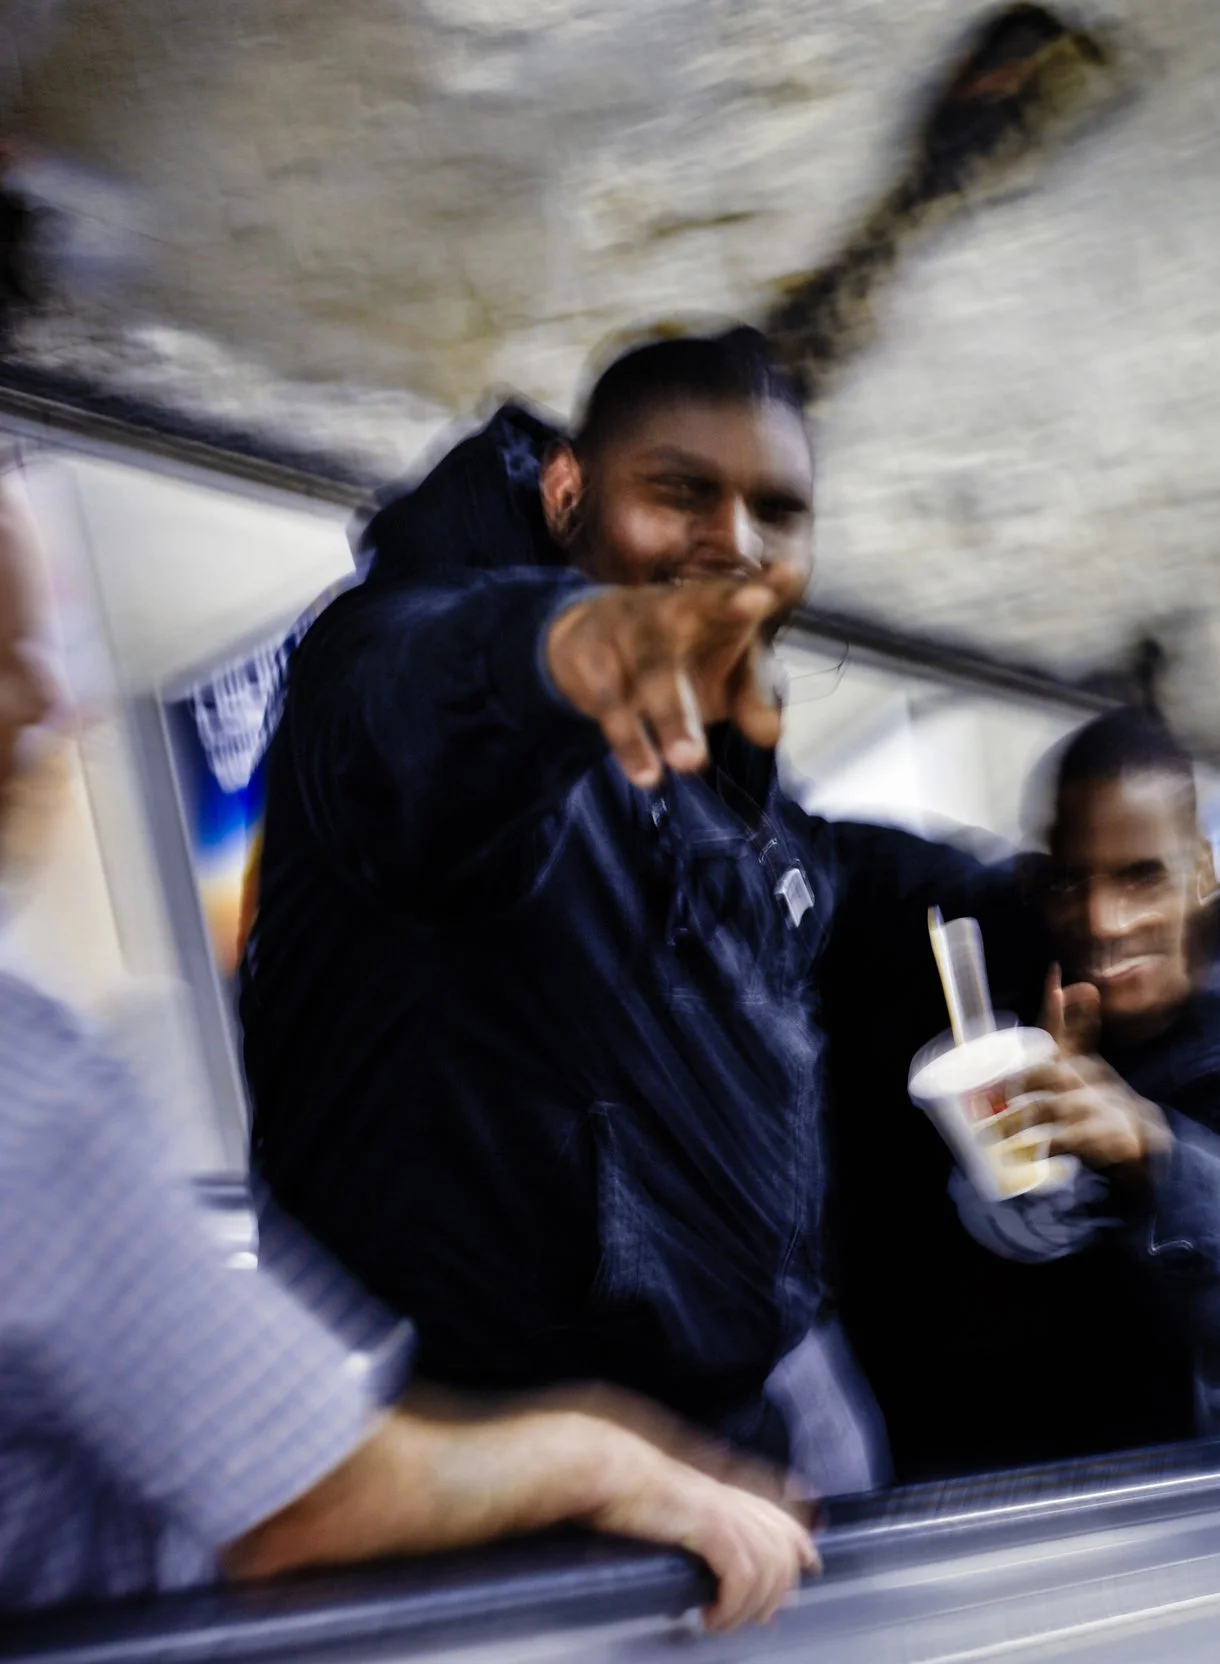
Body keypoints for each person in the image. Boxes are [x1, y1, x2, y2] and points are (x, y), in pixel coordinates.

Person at [0, 456, 815, 1624]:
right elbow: (310, 1501)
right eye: (13, 654)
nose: (53, 704)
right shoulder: (29, 1082)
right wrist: (617, 1461)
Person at [243, 327, 898, 1470]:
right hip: (468, 1490)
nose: (734, 547)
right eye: (679, 492)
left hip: (721, 1450)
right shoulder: (395, 649)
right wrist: (557, 649)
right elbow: (415, 724)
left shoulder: (741, 782)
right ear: (566, 491)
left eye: (776, 513)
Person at [820, 709, 1220, 1480]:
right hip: (926, 1477)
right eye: (1071, 880)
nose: (1103, 921)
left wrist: (1148, 1149)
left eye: (1142, 876)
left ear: (1200, 870)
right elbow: (796, 851)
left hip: (1135, 1488)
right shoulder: (978, 921)